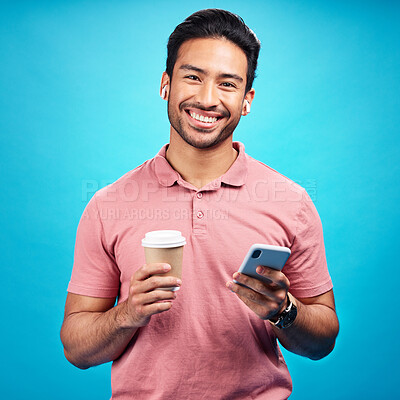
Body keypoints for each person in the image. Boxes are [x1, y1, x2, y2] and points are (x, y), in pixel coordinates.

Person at [61, 9, 339, 400]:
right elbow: (76, 349)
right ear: (165, 84)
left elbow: (322, 341)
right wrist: (128, 314)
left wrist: (283, 310)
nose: (207, 99)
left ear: (246, 100)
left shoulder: (290, 202)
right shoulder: (108, 204)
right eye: (193, 77)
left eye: (228, 84)